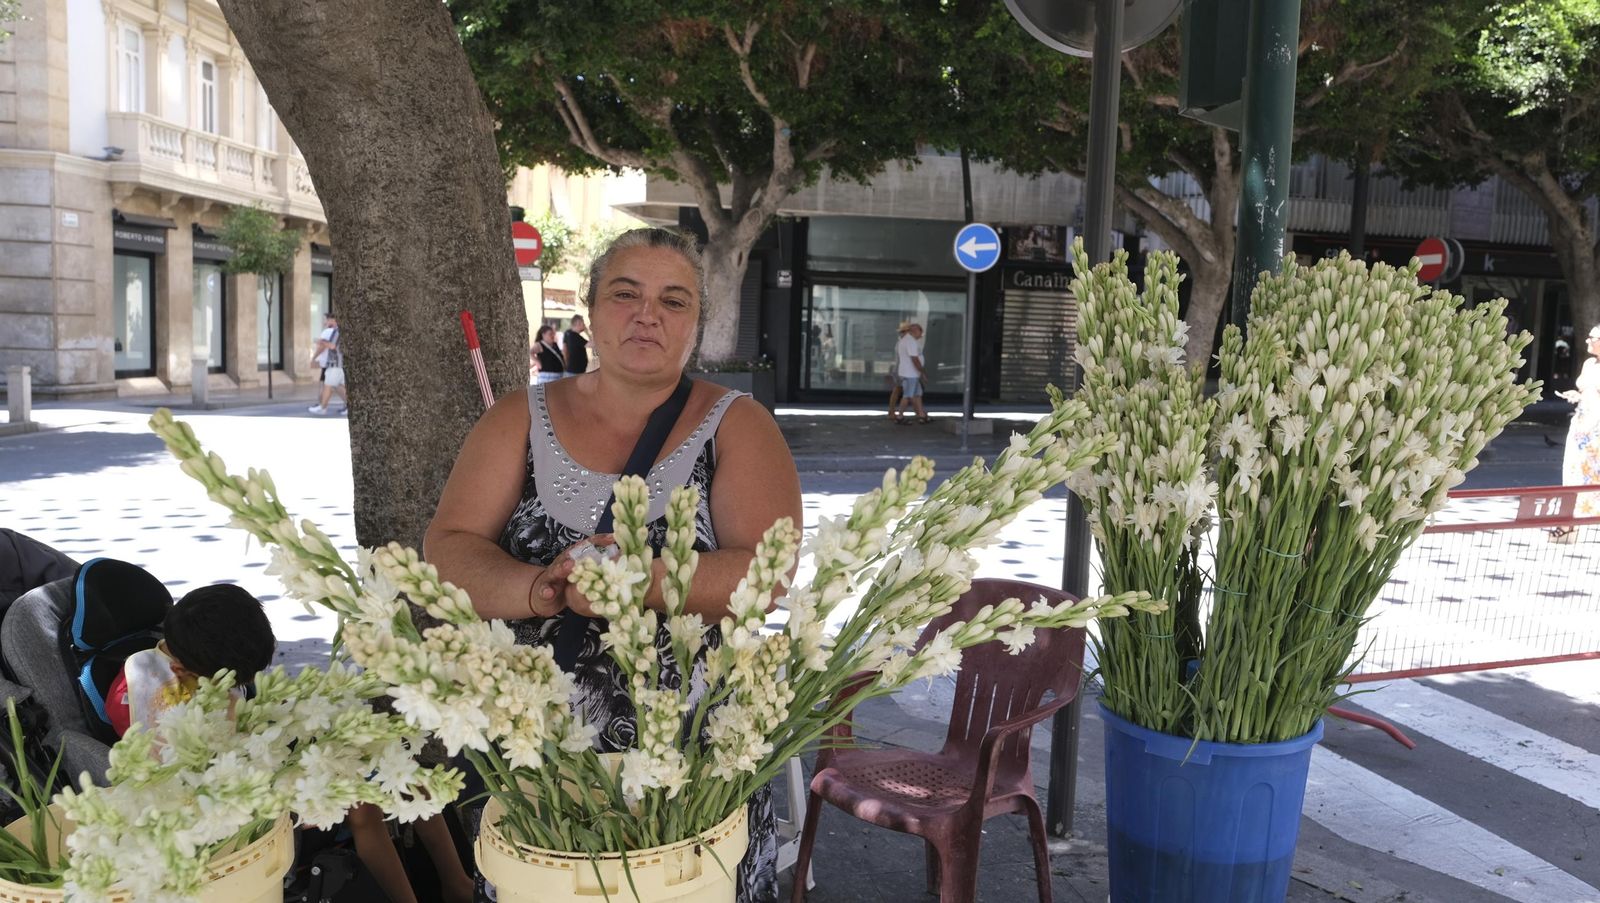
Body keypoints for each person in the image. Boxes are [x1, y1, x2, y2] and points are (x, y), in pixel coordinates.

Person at [424, 227, 802, 902]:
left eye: (673, 300)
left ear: (695, 324)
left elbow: (766, 573)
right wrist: (542, 590)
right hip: (537, 761)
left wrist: (635, 581)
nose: (646, 313)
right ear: (592, 310)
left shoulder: (738, 426)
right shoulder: (518, 417)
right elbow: (449, 549)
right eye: (626, 293)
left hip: (690, 770)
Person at [104, 583, 275, 739]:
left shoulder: (209, 657)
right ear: (181, 671)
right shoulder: (133, 696)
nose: (252, 681)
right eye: (230, 683)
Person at [1551, 324, 1600, 543]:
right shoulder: (1589, 364)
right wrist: (1576, 395)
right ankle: (1568, 523)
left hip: (1597, 429)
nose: (1587, 340)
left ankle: (1572, 522)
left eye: (1593, 337)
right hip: (1581, 425)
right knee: (1572, 475)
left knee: (1592, 477)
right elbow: (1586, 392)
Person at [308, 312, 347, 415]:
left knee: (327, 385)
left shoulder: (335, 331)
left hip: (334, 363)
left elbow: (332, 346)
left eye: (326, 319)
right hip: (339, 363)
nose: (324, 322)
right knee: (337, 385)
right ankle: (349, 406)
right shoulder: (340, 331)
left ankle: (322, 407)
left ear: (332, 320)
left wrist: (320, 342)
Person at [892, 321, 929, 424]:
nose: (921, 335)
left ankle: (921, 415)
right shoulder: (910, 341)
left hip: (911, 373)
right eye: (920, 333)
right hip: (910, 374)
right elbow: (914, 359)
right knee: (908, 395)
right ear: (915, 331)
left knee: (917, 394)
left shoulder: (906, 340)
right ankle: (900, 417)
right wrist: (922, 372)